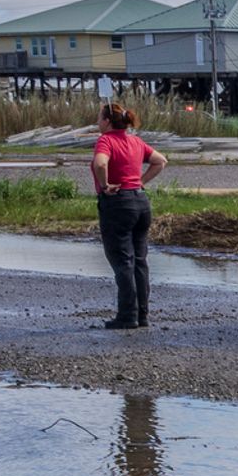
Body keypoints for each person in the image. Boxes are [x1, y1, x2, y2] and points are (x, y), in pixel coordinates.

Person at [90, 102, 154, 330]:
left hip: (118, 203)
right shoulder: (135, 141)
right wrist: (141, 181)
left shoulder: (106, 140)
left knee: (122, 261)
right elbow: (160, 161)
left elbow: (100, 163)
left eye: (99, 118)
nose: (97, 122)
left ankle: (128, 315)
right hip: (141, 202)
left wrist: (105, 184)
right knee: (139, 260)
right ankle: (142, 315)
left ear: (107, 121)